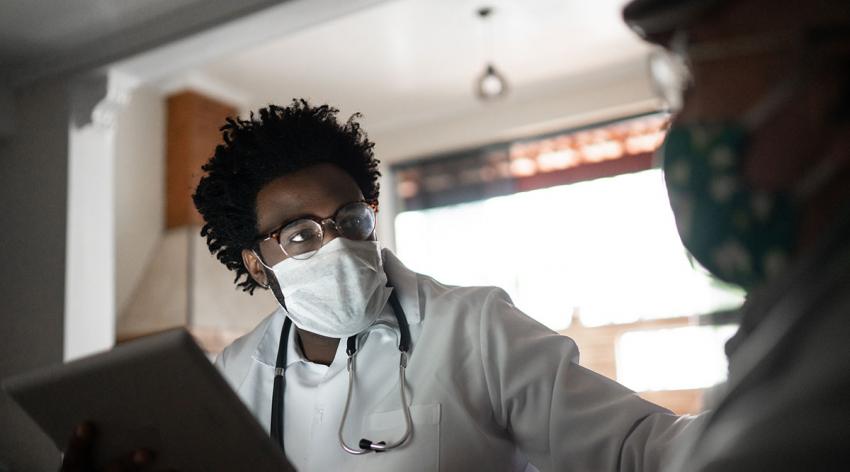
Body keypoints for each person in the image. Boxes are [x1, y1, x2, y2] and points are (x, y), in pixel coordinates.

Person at [186, 101, 690, 471]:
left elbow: (637, 450)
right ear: (255, 264)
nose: (337, 243)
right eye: (301, 235)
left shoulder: (474, 325)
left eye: (351, 218)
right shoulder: (233, 373)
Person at [622, 0, 850, 470]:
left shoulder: (821, 409)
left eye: (695, 69)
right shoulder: (790, 309)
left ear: (829, 83)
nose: (677, 124)